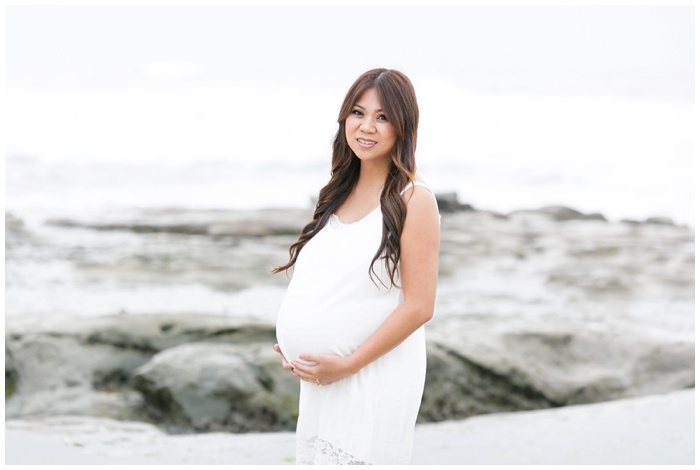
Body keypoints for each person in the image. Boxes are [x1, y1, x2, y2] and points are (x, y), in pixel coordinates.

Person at [272, 68, 440, 465]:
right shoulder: (336, 193)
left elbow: (420, 306)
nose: (367, 127)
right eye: (357, 113)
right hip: (323, 379)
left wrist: (346, 365)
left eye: (382, 117)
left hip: (372, 375)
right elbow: (327, 281)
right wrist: (296, 345)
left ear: (403, 126)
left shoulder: (413, 199)